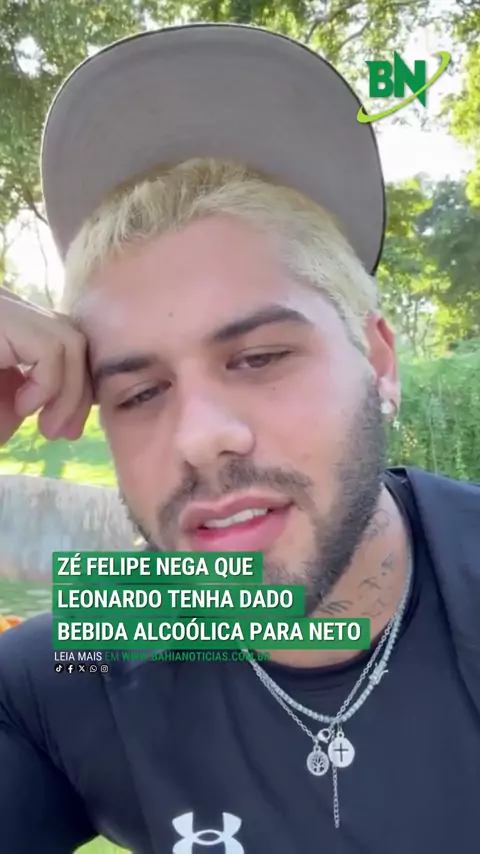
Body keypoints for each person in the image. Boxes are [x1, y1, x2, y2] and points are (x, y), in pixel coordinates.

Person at [0, 23, 479, 854]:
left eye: (259, 358)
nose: (200, 438)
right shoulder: (91, 660)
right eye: (141, 392)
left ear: (378, 360)